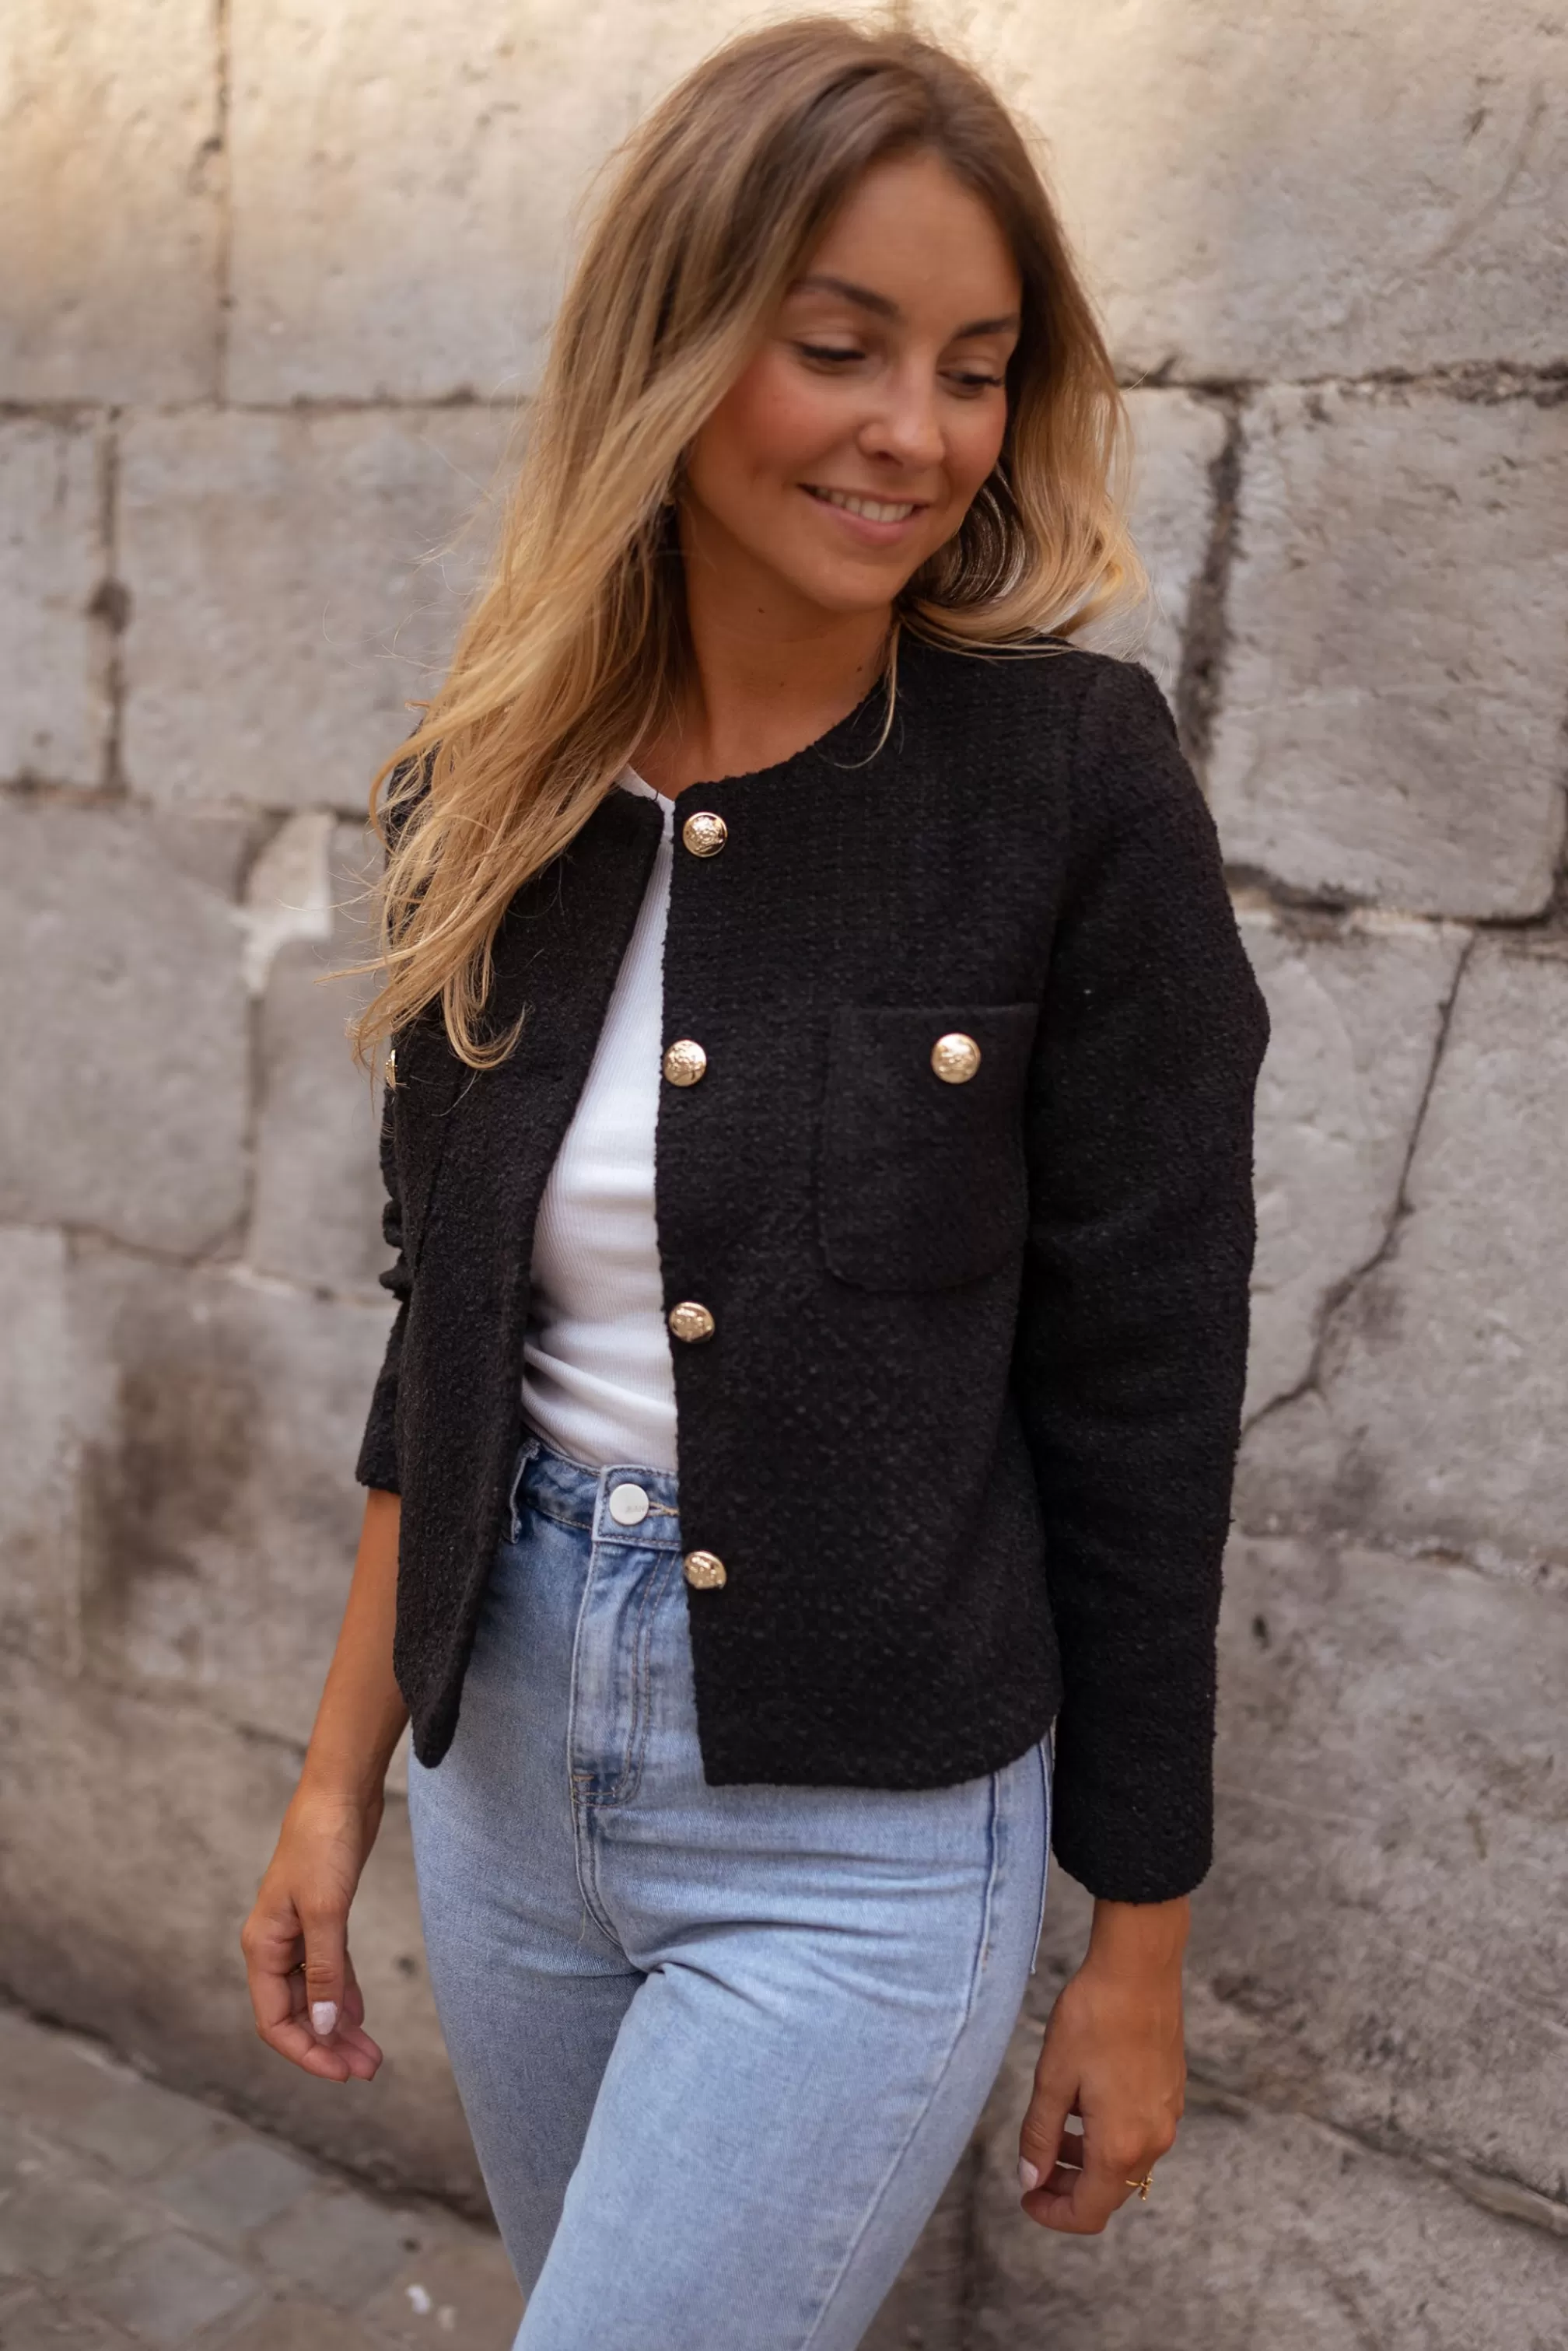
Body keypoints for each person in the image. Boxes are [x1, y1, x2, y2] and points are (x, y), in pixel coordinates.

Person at [241, 17, 1269, 2346]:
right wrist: (334, 1789)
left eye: (976, 370)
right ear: (676, 349)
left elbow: (1146, 1401)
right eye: (841, 347)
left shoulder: (1070, 783)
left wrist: (1138, 1945)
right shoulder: (482, 793)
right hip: (506, 1775)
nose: (919, 429)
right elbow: (442, 1335)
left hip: (862, 1836)